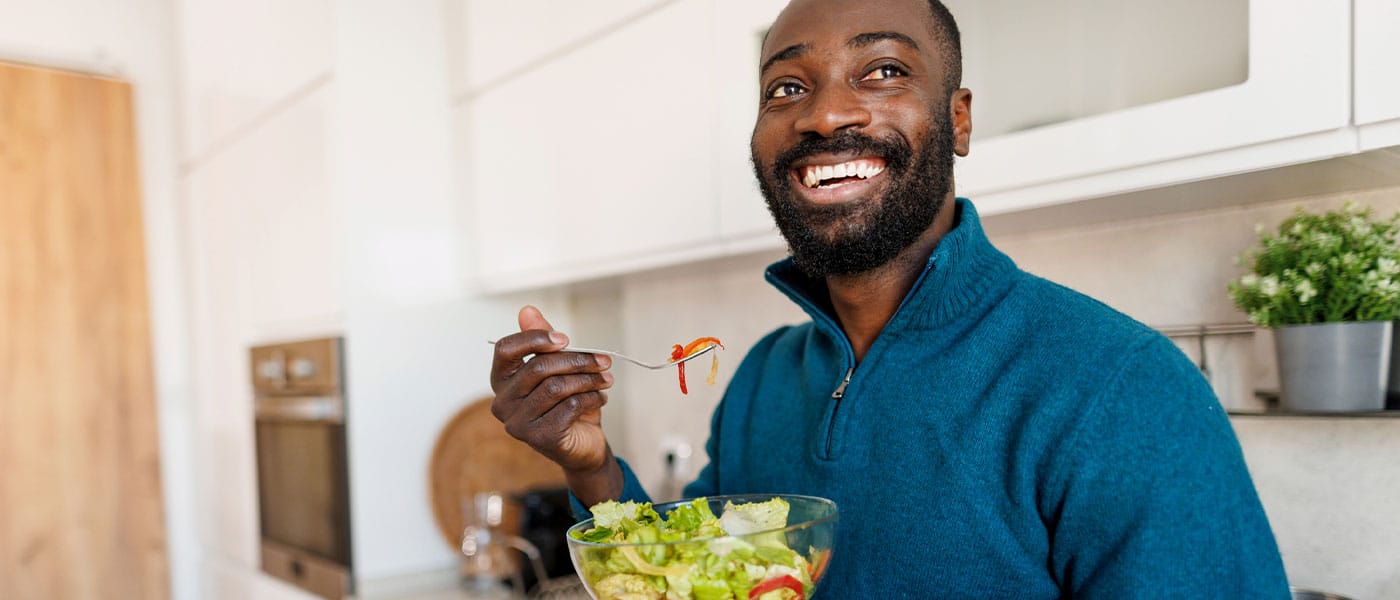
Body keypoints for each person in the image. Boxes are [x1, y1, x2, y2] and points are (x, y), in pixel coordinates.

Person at [489, 0, 1292, 596]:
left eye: (884, 71)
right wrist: (589, 466)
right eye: (785, 87)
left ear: (958, 119)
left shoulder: (1123, 387)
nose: (825, 113)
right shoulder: (764, 378)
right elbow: (689, 575)